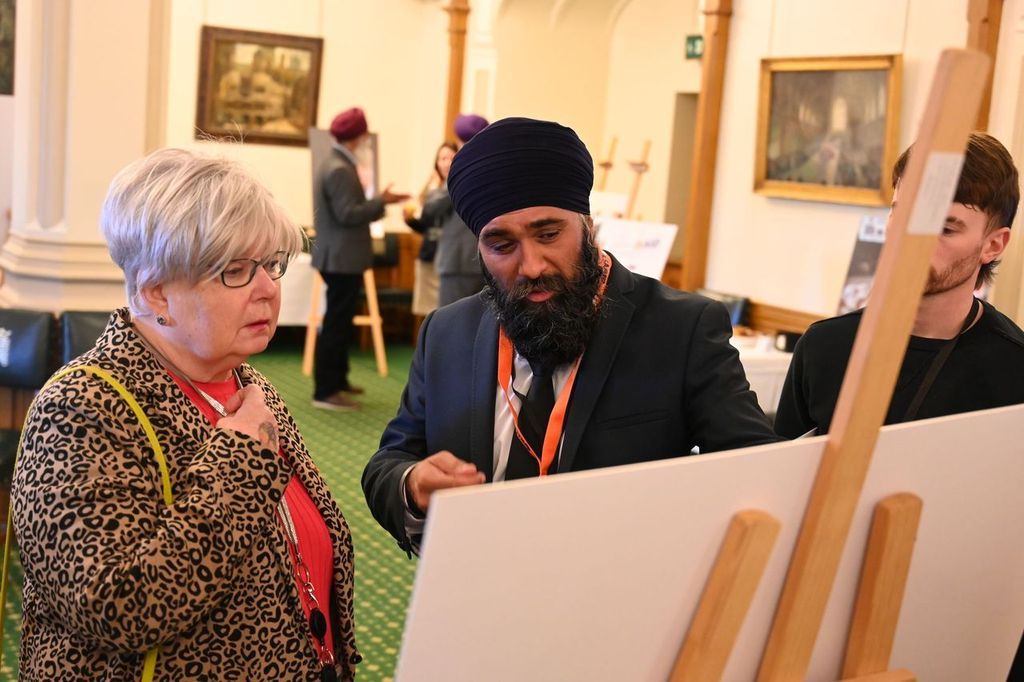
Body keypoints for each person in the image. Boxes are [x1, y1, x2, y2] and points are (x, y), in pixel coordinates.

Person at [11, 149, 359, 680]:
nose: (268, 288)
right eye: (236, 271)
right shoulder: (77, 408)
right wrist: (242, 460)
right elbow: (118, 608)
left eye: (271, 264)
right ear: (157, 294)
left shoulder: (247, 385)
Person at [362, 117, 779, 554]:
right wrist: (412, 485)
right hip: (473, 593)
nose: (532, 266)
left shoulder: (680, 329)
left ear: (587, 224)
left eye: (548, 234)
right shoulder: (447, 333)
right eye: (501, 245)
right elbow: (388, 463)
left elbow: (758, 478)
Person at [774, 132, 1024, 440]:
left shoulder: (1013, 367)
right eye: (902, 215)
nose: (913, 242)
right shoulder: (823, 346)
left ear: (993, 244)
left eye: (944, 228)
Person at [311, 107, 408, 410]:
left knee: (338, 321)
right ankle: (326, 391)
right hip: (342, 258)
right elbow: (348, 214)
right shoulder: (340, 168)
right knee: (337, 324)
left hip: (339, 257)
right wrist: (382, 202)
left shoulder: (333, 162)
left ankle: (337, 381)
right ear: (358, 136)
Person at [402, 141, 457, 316]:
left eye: (450, 157)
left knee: (445, 308)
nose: (446, 162)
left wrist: (433, 191)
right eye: (442, 158)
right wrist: (410, 221)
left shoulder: (452, 188)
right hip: (430, 252)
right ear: (436, 162)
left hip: (451, 256)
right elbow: (427, 223)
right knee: (427, 308)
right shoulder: (433, 187)